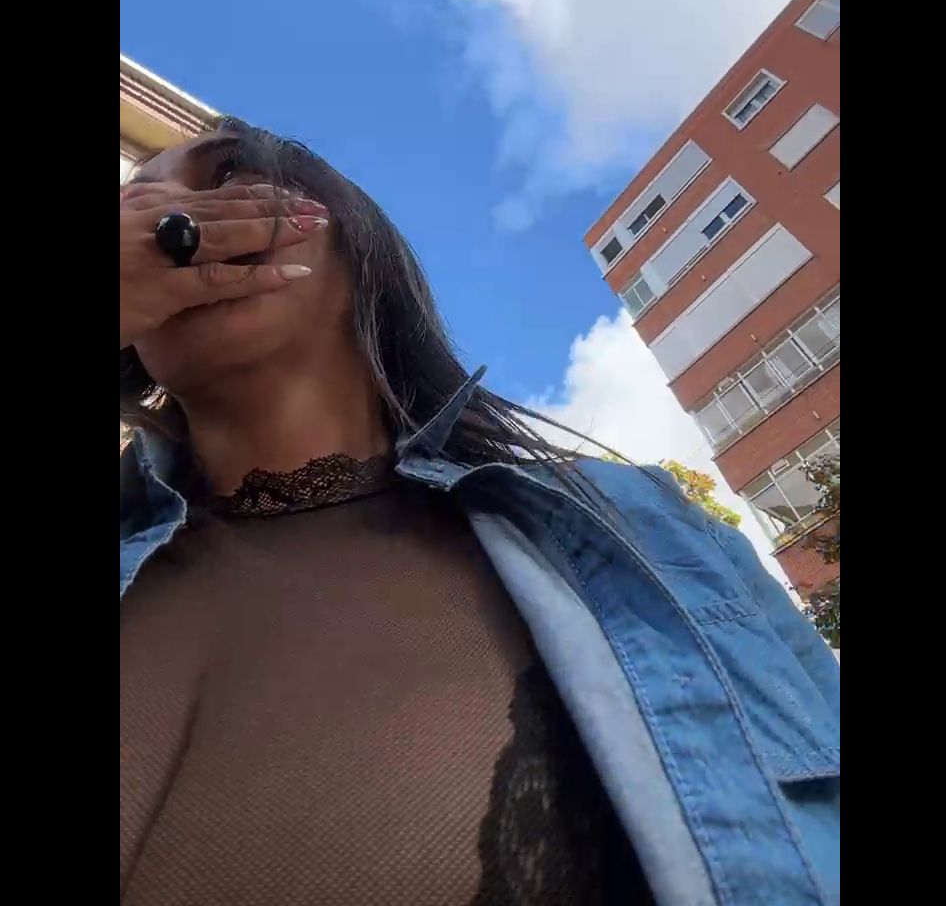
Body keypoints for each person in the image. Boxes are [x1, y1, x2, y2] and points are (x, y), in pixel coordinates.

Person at [120, 119, 840, 906]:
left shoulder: (646, 530)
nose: (166, 221)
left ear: (359, 245)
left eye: (227, 179)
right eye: (134, 207)